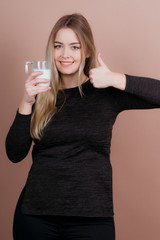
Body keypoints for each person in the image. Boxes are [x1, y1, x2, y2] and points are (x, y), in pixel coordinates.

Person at [5, 13, 160, 240]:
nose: (65, 55)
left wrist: (115, 79)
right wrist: (26, 102)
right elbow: (14, 154)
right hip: (36, 216)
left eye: (74, 47)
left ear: (87, 51)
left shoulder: (105, 92)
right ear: (52, 50)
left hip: (92, 218)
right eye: (59, 46)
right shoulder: (40, 95)